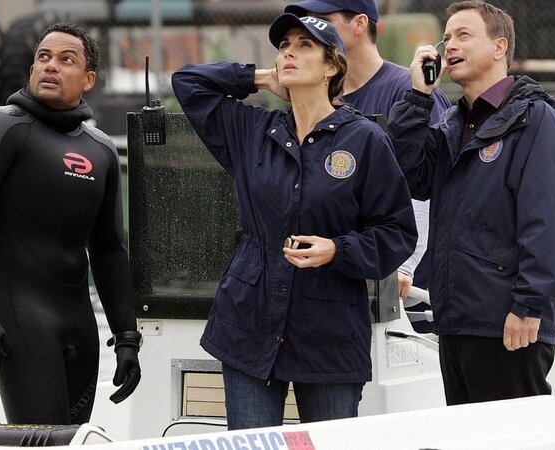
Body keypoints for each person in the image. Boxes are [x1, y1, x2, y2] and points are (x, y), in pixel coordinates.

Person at [172, 14, 416, 429]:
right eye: (284, 45)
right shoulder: (252, 131)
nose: (289, 52)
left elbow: (397, 233)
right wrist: (262, 77)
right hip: (249, 325)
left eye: (305, 46)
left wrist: (338, 250)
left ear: (332, 66)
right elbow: (188, 82)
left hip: (330, 337)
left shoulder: (365, 139)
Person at [0, 22, 141, 424]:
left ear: (88, 80)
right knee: (42, 440)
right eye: (43, 57)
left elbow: (108, 249)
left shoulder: (101, 149)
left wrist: (126, 335)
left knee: (74, 438)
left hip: (78, 323)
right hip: (18, 318)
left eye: (66, 60)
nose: (50, 66)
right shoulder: (0, 127)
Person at [388, 1, 555, 405]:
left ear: (499, 47)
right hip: (455, 319)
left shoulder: (535, 118)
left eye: (464, 35)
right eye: (447, 37)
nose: (449, 45)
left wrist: (529, 304)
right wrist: (418, 99)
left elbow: (548, 218)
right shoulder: (451, 125)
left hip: (507, 322)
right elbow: (409, 176)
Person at [284, 0, 452, 333]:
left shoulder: (409, 89)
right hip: (338, 295)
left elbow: (427, 188)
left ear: (360, 23)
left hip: (406, 301)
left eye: (321, 19)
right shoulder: (316, 98)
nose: (310, 29)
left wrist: (401, 268)